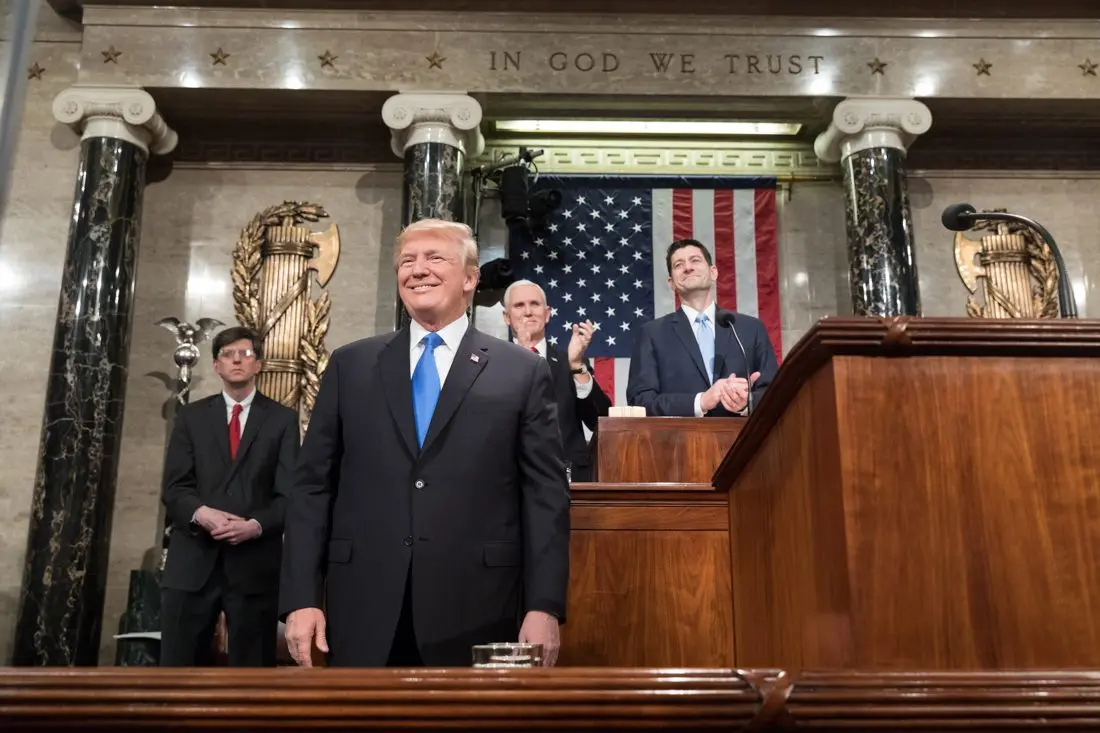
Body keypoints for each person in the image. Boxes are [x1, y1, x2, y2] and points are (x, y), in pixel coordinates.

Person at [280, 218, 570, 668]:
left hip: (480, 607)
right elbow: (312, 488)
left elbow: (545, 495)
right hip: (361, 605)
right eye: (408, 261)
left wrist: (544, 606)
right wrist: (301, 598)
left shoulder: (521, 372)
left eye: (435, 258)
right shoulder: (350, 365)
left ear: (471, 278)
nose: (418, 270)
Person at [160, 326, 300, 666]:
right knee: (176, 670)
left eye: (245, 354)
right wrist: (202, 514)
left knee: (252, 676)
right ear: (216, 366)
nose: (236, 360)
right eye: (227, 354)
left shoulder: (282, 420)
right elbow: (175, 487)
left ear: (259, 365)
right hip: (193, 562)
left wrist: (255, 525)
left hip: (253, 566)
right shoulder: (191, 417)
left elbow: (291, 495)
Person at [627, 238, 779, 417]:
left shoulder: (750, 329)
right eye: (678, 265)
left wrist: (747, 403)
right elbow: (641, 401)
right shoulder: (652, 334)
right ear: (671, 283)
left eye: (695, 260)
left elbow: (775, 394)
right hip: (677, 442)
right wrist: (701, 401)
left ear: (713, 272)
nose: (688, 267)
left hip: (744, 441)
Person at [502, 279, 611, 482]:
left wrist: (577, 365)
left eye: (535, 304)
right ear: (507, 317)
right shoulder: (494, 363)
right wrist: (523, 361)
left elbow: (600, 420)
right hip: (509, 477)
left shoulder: (569, 361)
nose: (528, 312)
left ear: (547, 313)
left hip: (566, 477)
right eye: (519, 305)